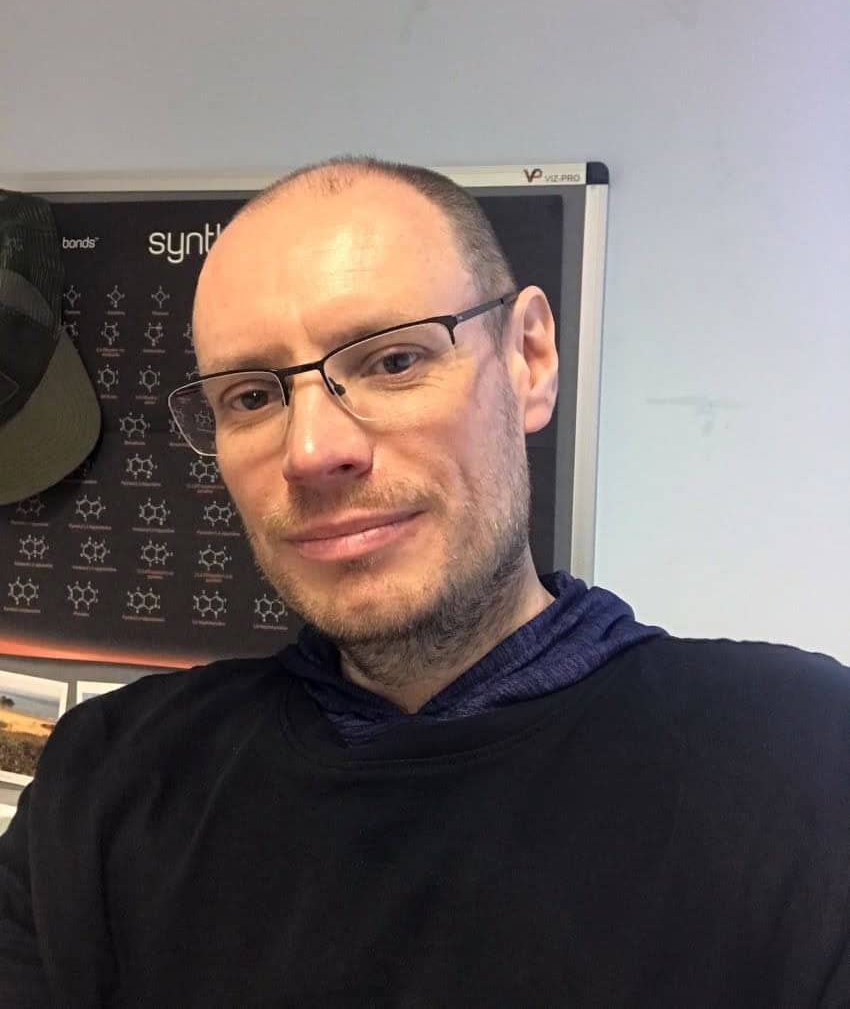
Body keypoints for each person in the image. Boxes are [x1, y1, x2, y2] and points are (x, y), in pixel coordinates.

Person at [1, 157, 849, 1008]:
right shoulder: (109, 777)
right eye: (253, 396)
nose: (311, 451)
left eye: (394, 361)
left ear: (530, 357)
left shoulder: (806, 759)